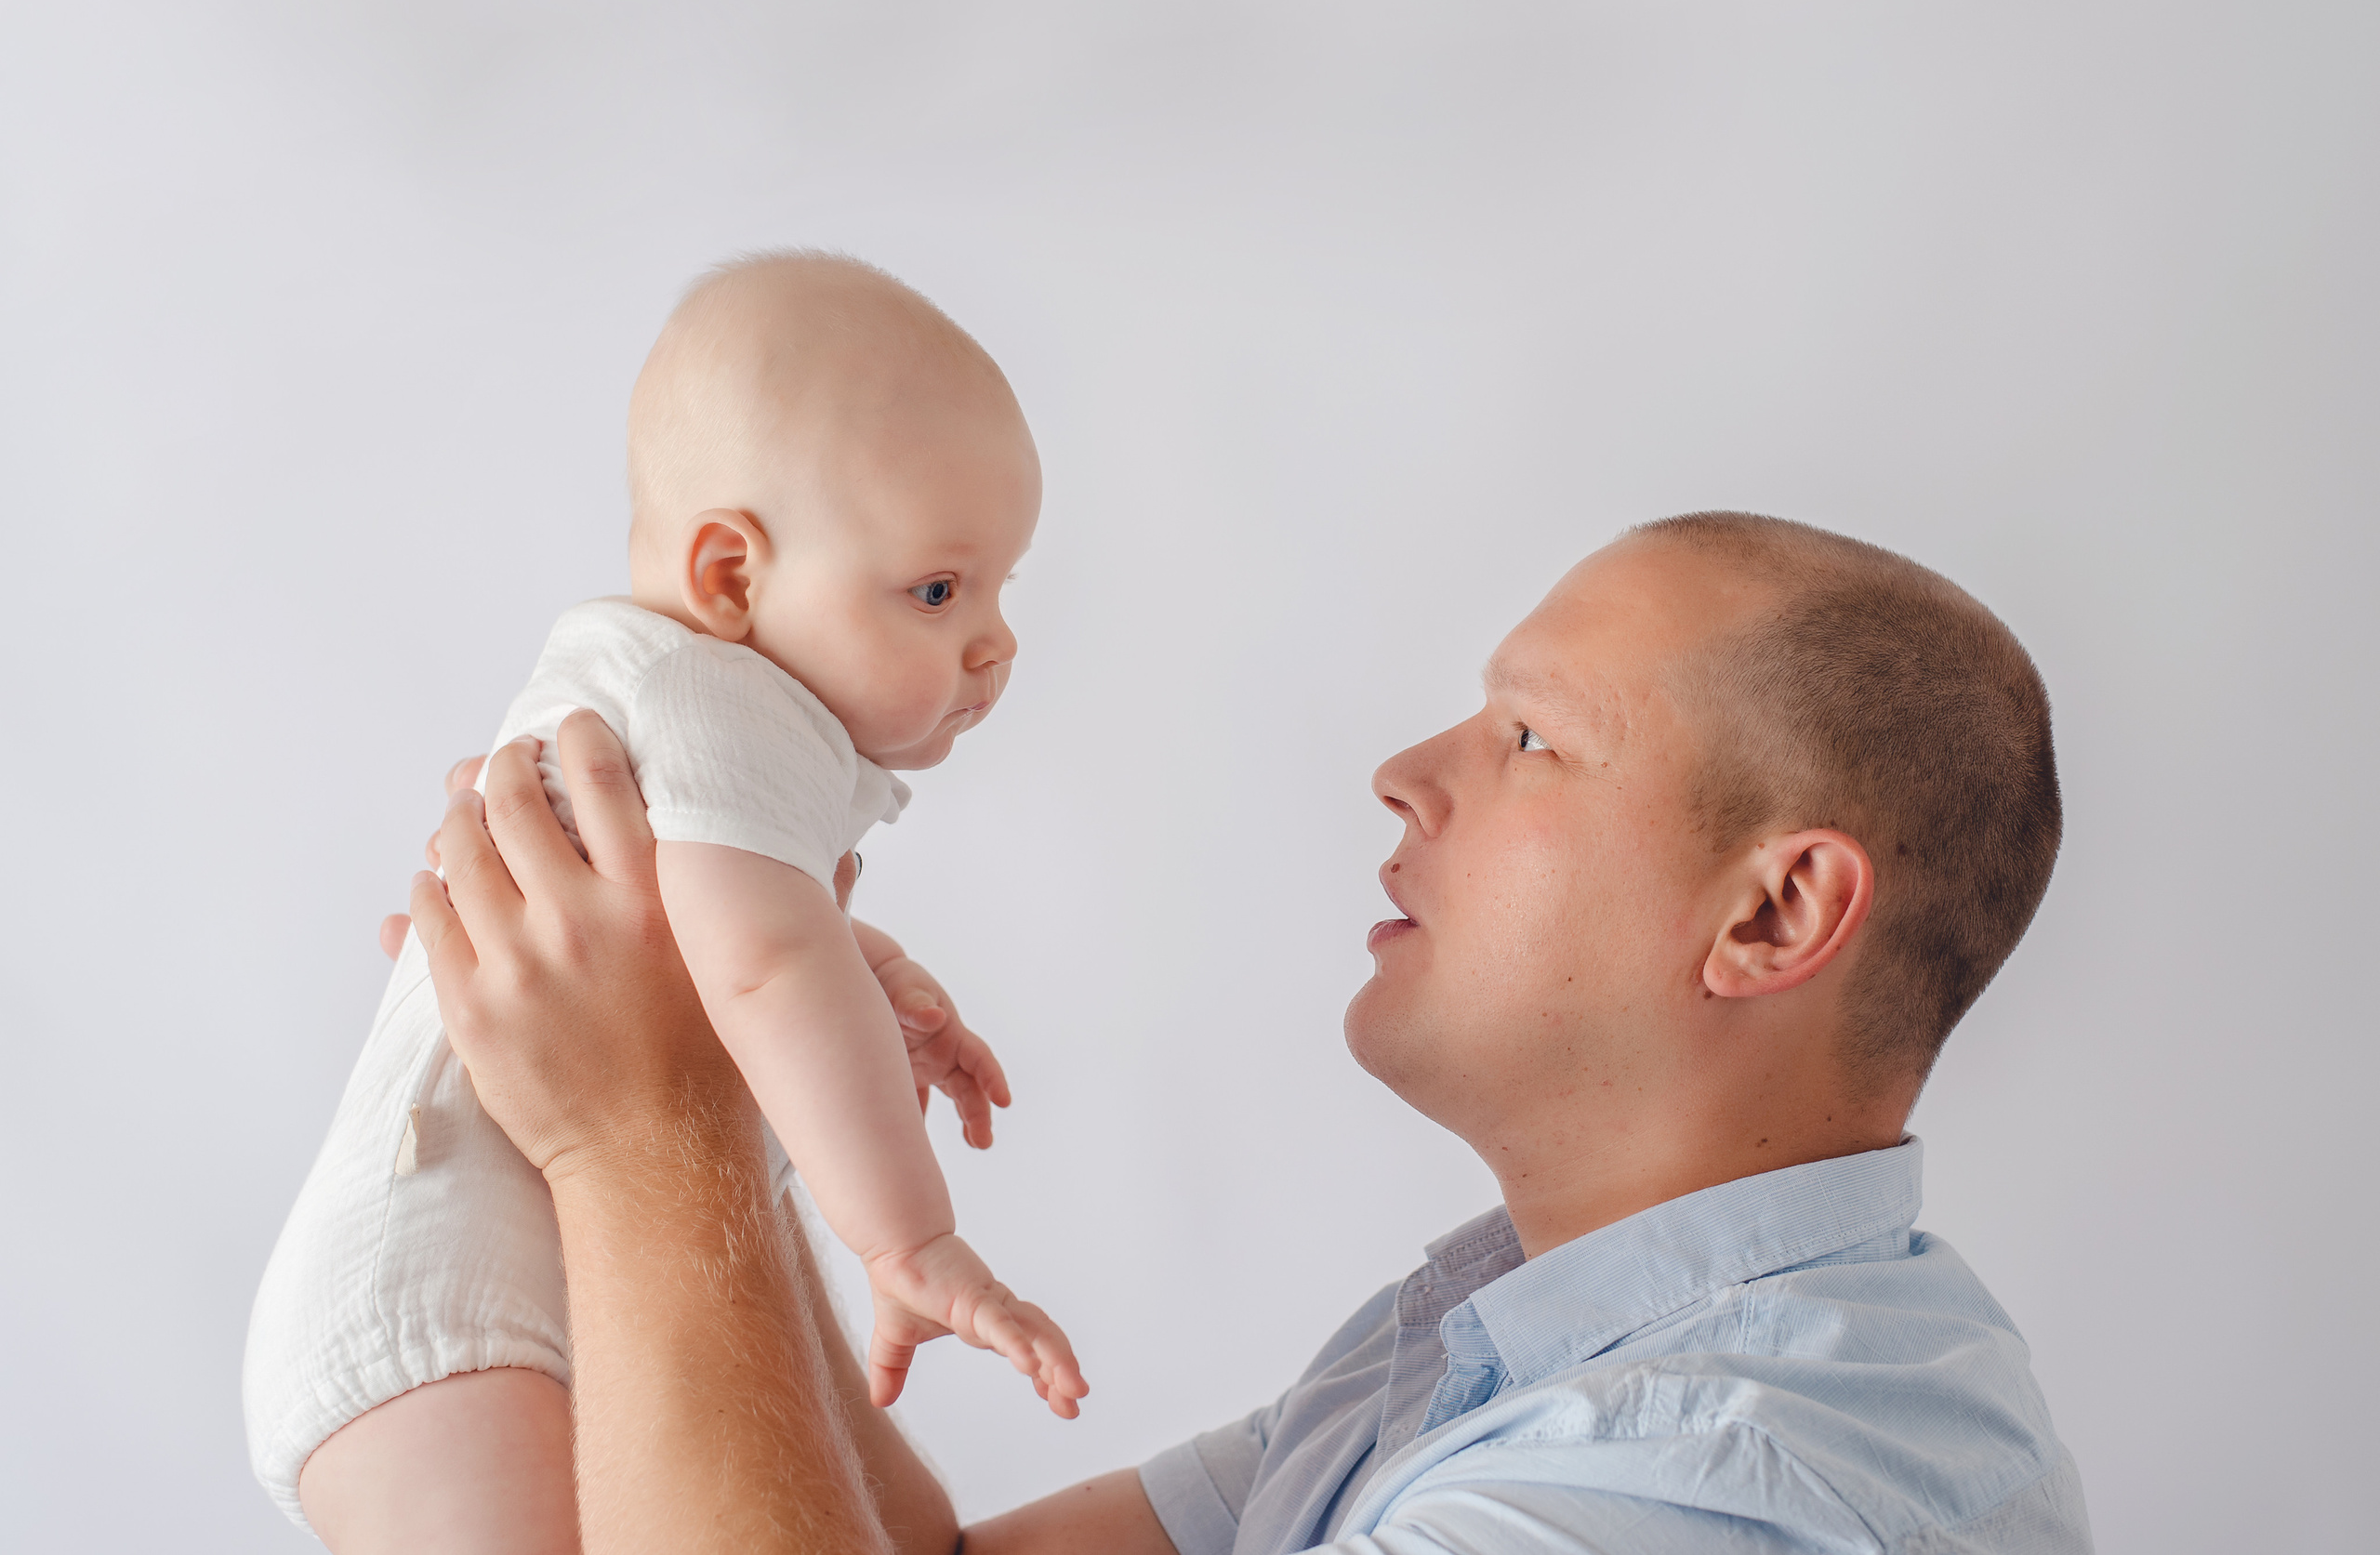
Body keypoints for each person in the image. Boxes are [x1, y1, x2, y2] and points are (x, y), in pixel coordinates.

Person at [402, 513, 2094, 1553]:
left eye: (1529, 738)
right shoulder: (1499, 1349)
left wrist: (643, 1141)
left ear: (1776, 913)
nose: (1407, 773)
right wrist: (740, 1030)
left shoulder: (1689, 1493)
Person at [245, 252, 1085, 1551]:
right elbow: (762, 968)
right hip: (441, 1309)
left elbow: (709, 934)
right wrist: (908, 1240)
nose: (995, 644)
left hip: (454, 1291)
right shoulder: (718, 698)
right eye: (937, 589)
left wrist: (862, 970)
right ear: (732, 577)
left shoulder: (667, 694)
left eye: (999, 589)